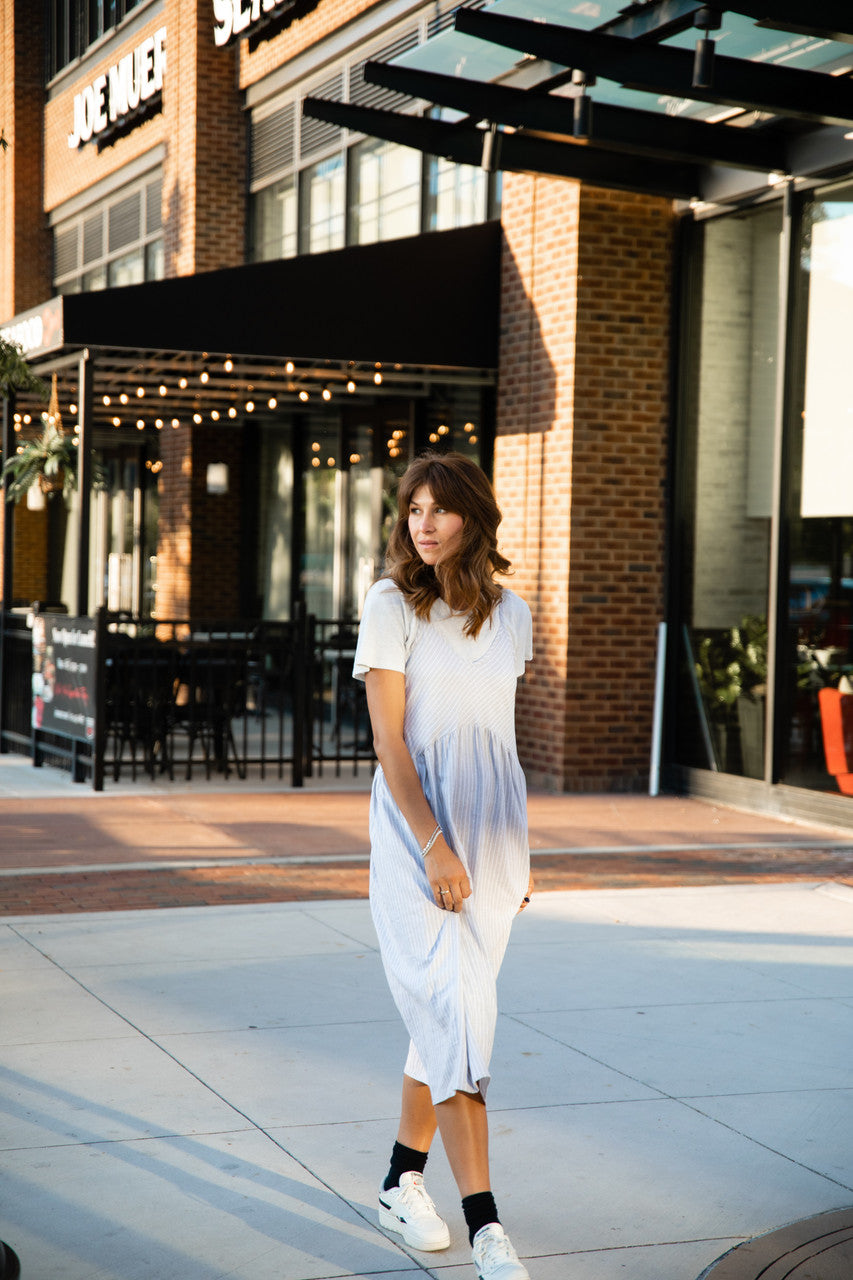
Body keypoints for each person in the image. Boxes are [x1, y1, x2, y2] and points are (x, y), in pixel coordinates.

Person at [353, 451, 534, 1280]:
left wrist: (510, 855)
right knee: (457, 1019)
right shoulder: (391, 604)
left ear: (472, 517)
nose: (422, 523)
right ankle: (486, 1226)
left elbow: (498, 743)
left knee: (442, 1016)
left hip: (491, 843)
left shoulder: (514, 616)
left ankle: (399, 1181)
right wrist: (434, 845)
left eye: (439, 508)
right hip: (415, 837)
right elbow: (392, 741)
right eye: (412, 509)